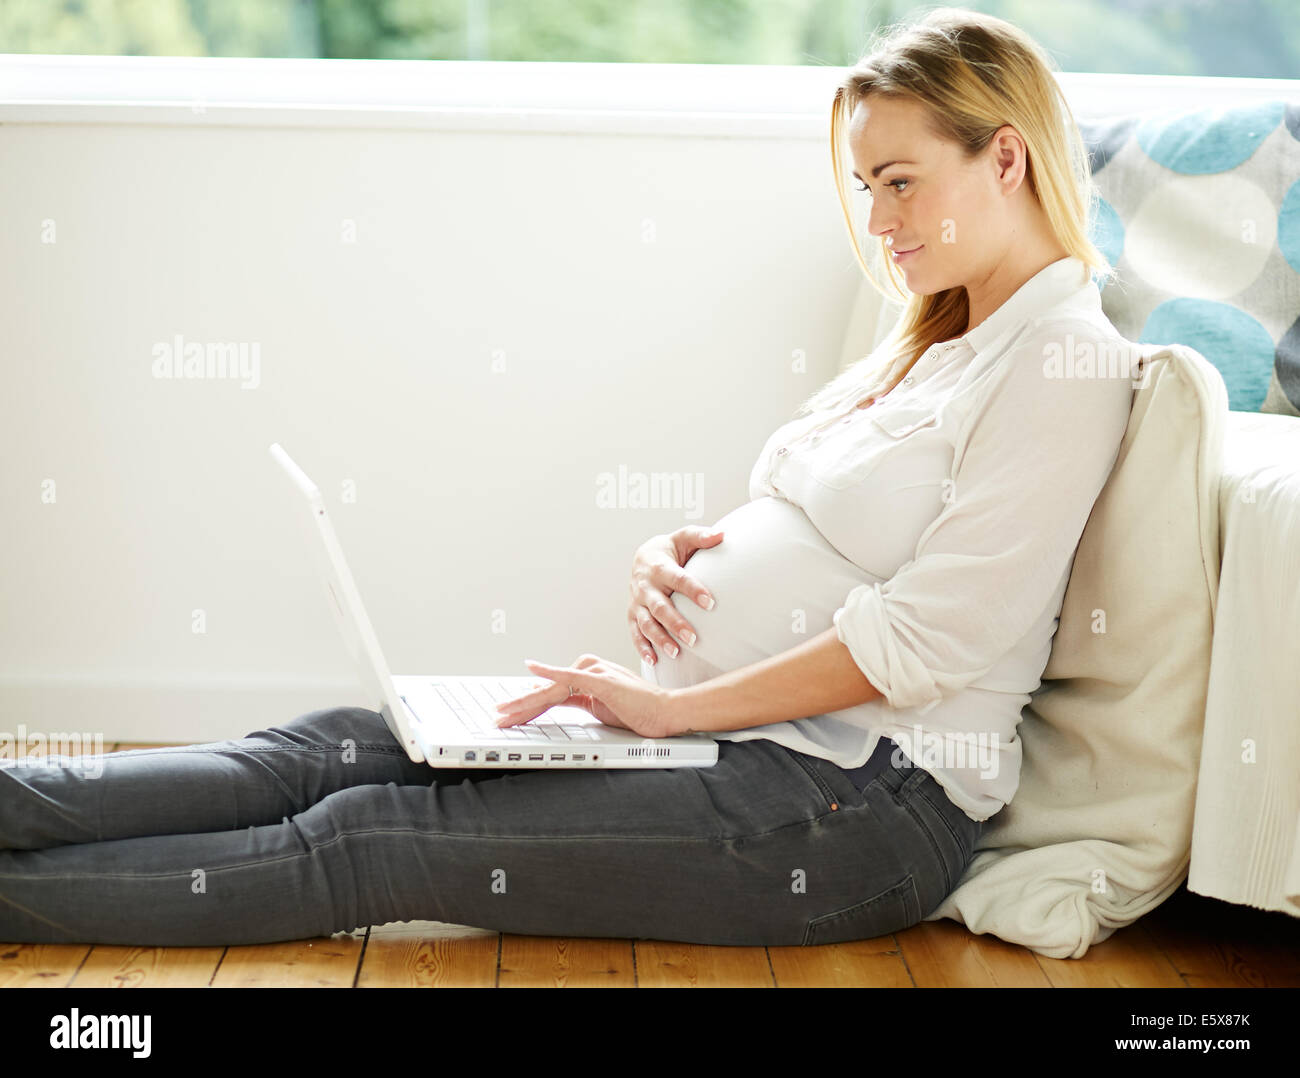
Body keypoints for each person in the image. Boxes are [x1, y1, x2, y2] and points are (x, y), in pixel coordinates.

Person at [0, 7, 1135, 948]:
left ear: (1004, 154)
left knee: (370, 838)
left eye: (897, 181)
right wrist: (685, 553)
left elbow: (930, 641)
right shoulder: (935, 337)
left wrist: (671, 706)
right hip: (733, 745)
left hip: (848, 813)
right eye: (865, 188)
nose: (877, 224)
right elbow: (830, 518)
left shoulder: (1062, 359)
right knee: (329, 746)